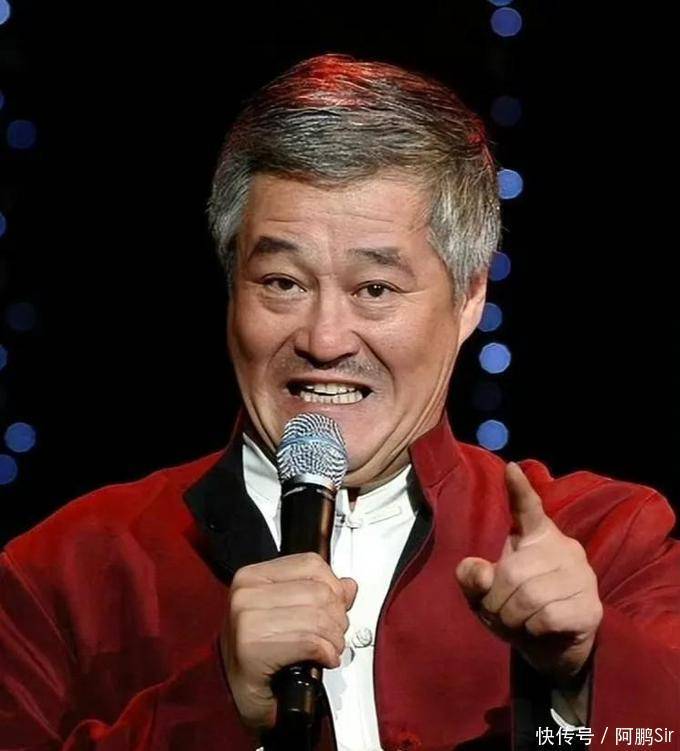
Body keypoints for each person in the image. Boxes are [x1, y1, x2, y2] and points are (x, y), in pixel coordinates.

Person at [1, 54, 678, 751]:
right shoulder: (66, 573)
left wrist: (581, 676)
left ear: (470, 296)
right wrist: (214, 705)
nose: (324, 340)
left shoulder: (606, 542)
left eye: (374, 289)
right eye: (283, 283)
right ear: (232, 287)